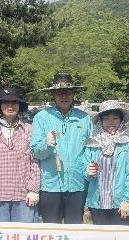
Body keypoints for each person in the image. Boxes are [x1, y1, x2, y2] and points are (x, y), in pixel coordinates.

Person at [30, 73, 92, 224]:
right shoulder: (41, 117)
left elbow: (91, 151)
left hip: (77, 184)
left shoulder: (84, 118)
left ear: (74, 94)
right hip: (51, 185)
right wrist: (46, 145)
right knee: (51, 231)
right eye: (59, 93)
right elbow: (36, 152)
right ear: (53, 94)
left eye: (68, 92)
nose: (64, 96)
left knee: (74, 230)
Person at [0, 87, 40, 222]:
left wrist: (33, 189)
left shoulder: (29, 130)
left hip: (23, 195)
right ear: (0, 106)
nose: (10, 106)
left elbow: (35, 161)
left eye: (14, 102)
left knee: (23, 235)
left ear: (19, 105)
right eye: (5, 102)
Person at [81, 100, 129, 225]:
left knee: (120, 236)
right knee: (100, 236)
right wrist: (87, 171)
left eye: (115, 118)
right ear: (100, 121)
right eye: (106, 119)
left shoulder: (128, 143)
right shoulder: (92, 143)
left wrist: (127, 200)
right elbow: (84, 168)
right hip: (97, 203)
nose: (111, 122)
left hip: (120, 204)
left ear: (121, 120)